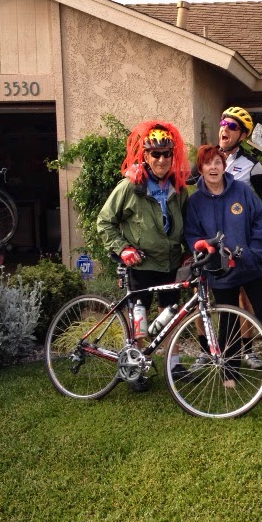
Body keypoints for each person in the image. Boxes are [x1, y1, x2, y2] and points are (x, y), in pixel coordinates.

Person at [190, 106, 262, 370]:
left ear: (242, 136)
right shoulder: (207, 158)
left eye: (232, 126)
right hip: (217, 251)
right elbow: (186, 183)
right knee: (225, 309)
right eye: (223, 123)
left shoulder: (251, 164)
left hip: (243, 246)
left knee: (257, 306)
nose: (225, 128)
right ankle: (221, 360)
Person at [97, 120, 191, 385]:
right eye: (155, 154)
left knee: (170, 313)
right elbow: (104, 222)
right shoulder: (130, 186)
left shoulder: (179, 188)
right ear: (146, 156)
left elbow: (187, 225)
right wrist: (122, 248)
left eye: (166, 154)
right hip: (141, 264)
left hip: (170, 263)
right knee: (139, 316)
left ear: (173, 155)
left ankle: (174, 365)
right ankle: (136, 367)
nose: (161, 160)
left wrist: (189, 252)